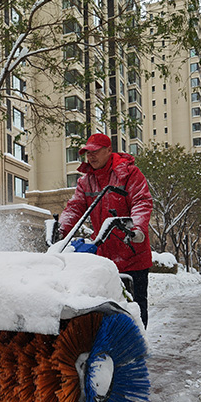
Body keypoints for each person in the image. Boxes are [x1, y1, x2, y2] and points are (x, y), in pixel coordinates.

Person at [58, 133, 153, 328]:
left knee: (134, 306)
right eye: (87, 153)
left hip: (132, 252)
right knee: (106, 307)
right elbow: (75, 207)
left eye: (95, 152)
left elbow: (141, 201)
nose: (90, 157)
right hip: (104, 256)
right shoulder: (86, 181)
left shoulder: (128, 174)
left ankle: (138, 345)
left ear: (109, 150)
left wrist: (137, 228)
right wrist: (62, 230)